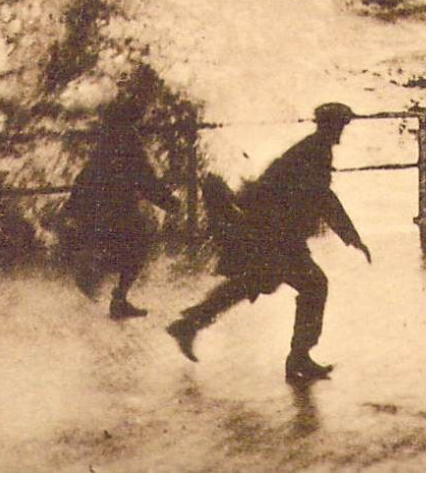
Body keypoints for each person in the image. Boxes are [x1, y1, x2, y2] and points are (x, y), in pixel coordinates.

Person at [166, 103, 371, 383]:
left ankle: (189, 324)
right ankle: (298, 358)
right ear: (330, 126)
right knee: (312, 285)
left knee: (249, 284)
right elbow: (323, 198)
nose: (341, 132)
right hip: (278, 235)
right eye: (340, 126)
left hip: (273, 232)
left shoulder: (311, 148)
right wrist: (351, 237)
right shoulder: (315, 152)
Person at [60, 101, 180, 319]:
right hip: (120, 209)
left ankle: (99, 281)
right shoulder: (131, 145)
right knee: (138, 248)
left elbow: (83, 179)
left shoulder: (104, 144)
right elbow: (146, 181)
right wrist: (169, 203)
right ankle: (116, 297)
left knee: (117, 248)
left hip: (96, 208)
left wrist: (73, 208)